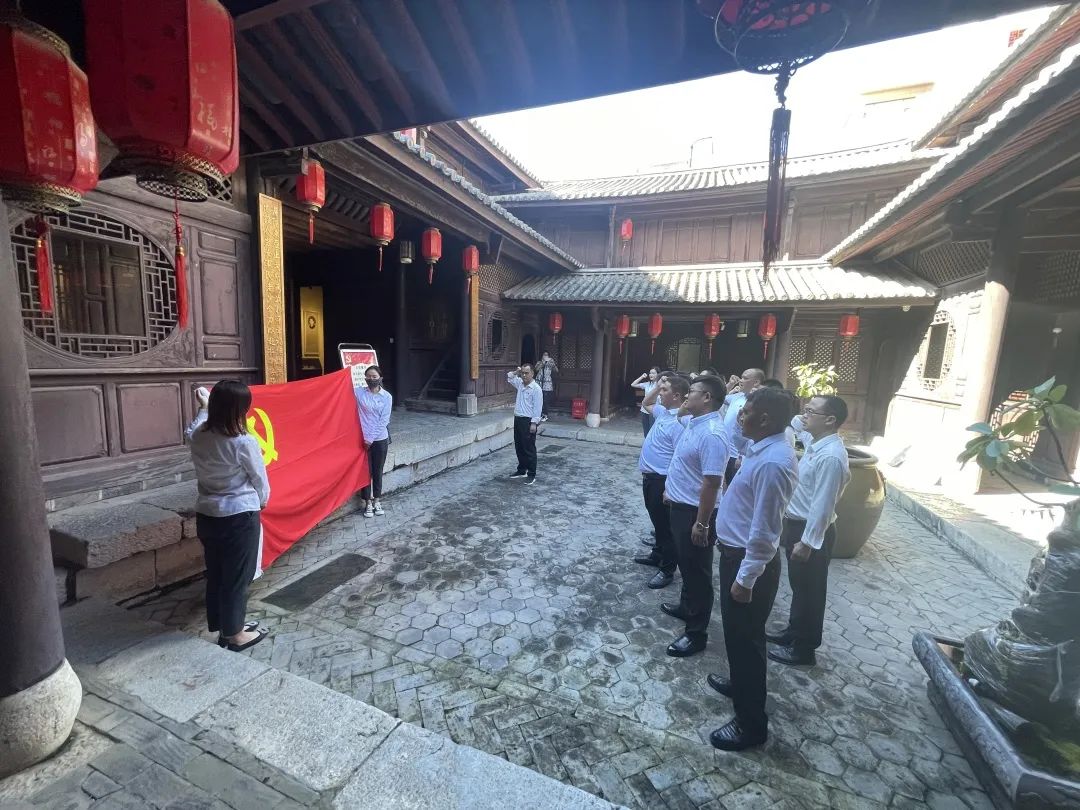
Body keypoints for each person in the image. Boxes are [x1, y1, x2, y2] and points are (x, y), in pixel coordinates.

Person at [706, 387, 799, 750]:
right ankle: (739, 684)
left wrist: (746, 578)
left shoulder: (774, 462)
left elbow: (766, 528)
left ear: (765, 419)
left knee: (747, 641)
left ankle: (750, 725)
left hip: (747, 562)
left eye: (746, 412)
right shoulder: (761, 448)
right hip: (736, 555)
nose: (739, 416)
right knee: (737, 636)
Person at [186, 381, 270, 653]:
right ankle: (235, 635)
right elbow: (259, 479)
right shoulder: (243, 441)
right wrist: (263, 500)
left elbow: (193, 428)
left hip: (207, 513)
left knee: (218, 573)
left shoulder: (198, 435)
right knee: (237, 577)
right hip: (239, 515)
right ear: (241, 409)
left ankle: (226, 625)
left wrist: (203, 408)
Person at [767, 395, 851, 666]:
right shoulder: (816, 444)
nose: (804, 416)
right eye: (805, 410)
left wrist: (808, 542)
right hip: (798, 526)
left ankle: (804, 650)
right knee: (799, 587)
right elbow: (795, 422)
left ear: (830, 420)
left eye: (811, 412)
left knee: (810, 592)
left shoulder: (831, 457)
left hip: (811, 532)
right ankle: (794, 632)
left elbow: (823, 505)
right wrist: (802, 416)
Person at [660, 374, 730, 658]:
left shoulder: (712, 434)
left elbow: (712, 483)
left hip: (695, 512)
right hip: (680, 505)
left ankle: (696, 633)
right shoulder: (695, 422)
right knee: (687, 566)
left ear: (707, 398)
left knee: (698, 573)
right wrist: (670, 491)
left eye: (692, 391)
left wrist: (702, 523)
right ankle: (686, 607)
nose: (686, 395)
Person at [632, 375, 690, 589]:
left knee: (666, 528)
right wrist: (657, 387)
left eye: (664, 390)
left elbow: (679, 458)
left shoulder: (680, 422)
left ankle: (667, 569)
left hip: (662, 480)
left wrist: (670, 487)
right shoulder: (663, 412)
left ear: (676, 396)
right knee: (657, 522)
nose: (659, 393)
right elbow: (646, 402)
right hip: (650, 477)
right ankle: (657, 555)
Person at [355, 365, 393, 518]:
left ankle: (377, 500)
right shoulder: (359, 392)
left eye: (374, 377)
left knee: (377, 471)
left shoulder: (387, 397)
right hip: (362, 440)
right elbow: (340, 390)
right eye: (368, 377)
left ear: (380, 378)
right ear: (365, 378)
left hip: (379, 439)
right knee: (365, 472)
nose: (371, 379)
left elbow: (384, 421)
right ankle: (368, 503)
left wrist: (370, 439)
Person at [721, 368, 765, 485]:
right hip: (725, 450)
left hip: (738, 453)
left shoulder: (758, 402)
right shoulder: (738, 396)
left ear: (756, 382)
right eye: (741, 377)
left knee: (734, 485)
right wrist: (730, 384)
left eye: (745, 378)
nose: (741, 380)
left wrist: (741, 456)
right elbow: (719, 398)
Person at [507, 363, 543, 484]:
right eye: (522, 373)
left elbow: (538, 407)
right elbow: (509, 377)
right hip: (518, 418)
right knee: (519, 446)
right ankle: (522, 470)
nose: (524, 375)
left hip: (528, 421)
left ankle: (532, 474)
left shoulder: (536, 389)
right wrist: (516, 372)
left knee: (529, 448)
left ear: (532, 373)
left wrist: (534, 423)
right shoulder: (520, 384)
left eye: (526, 373)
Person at [631, 367, 660, 437]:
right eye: (650, 373)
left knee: (652, 431)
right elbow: (633, 384)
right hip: (644, 410)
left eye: (653, 373)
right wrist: (642, 377)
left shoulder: (659, 385)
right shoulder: (647, 384)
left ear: (658, 374)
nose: (651, 375)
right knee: (646, 431)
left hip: (653, 410)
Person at [534, 351, 559, 422]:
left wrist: (553, 364)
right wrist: (543, 363)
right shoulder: (539, 362)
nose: (545, 356)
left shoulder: (551, 364)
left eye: (547, 355)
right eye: (544, 355)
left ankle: (545, 414)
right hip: (539, 382)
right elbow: (536, 370)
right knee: (538, 399)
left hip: (547, 384)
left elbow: (556, 370)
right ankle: (538, 414)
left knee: (545, 400)